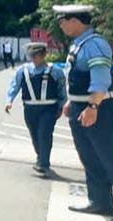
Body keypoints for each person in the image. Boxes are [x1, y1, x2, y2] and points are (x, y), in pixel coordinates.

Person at [56, 5, 113, 221]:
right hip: (81, 107)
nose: (61, 25)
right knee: (90, 158)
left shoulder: (95, 44)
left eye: (62, 20)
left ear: (75, 20)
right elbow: (77, 79)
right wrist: (72, 102)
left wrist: (92, 106)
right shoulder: (79, 44)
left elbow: (101, 79)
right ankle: (100, 201)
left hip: (98, 109)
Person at [5, 42, 67, 177]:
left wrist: (62, 105)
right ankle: (41, 157)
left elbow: (61, 89)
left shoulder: (55, 71)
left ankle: (44, 164)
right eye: (32, 55)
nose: (35, 58)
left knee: (44, 133)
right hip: (30, 108)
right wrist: (9, 101)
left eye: (38, 55)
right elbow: (14, 86)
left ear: (44, 55)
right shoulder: (24, 70)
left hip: (49, 108)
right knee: (35, 135)